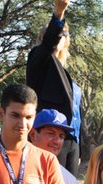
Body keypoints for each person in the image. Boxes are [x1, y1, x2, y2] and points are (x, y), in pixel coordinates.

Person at [25, 0, 81, 172]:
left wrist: (78, 149)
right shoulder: (38, 62)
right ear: (43, 37)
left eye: (64, 33)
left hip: (70, 142)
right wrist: (58, 15)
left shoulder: (65, 74)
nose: (60, 36)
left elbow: (77, 115)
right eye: (57, 33)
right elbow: (49, 42)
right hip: (49, 137)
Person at [29, 109, 83, 184]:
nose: (57, 141)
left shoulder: (70, 181)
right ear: (33, 134)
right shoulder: (18, 167)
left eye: (61, 136)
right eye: (50, 133)